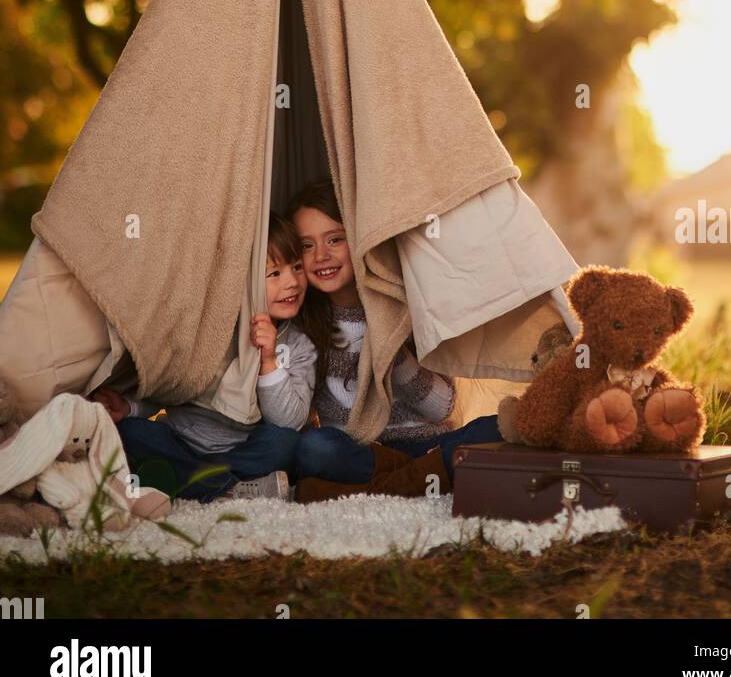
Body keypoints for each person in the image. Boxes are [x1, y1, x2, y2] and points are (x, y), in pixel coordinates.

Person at [288, 178, 503, 501]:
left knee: (497, 426)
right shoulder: (305, 324)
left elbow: (441, 408)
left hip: (425, 442)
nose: (321, 255)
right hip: (359, 451)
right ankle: (417, 477)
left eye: (334, 239)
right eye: (307, 245)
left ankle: (383, 485)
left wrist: (393, 355)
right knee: (314, 448)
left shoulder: (404, 304)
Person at [90, 211, 316, 503]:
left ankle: (191, 481)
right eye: (273, 273)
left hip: (247, 449)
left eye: (297, 267)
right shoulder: (210, 329)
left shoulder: (299, 345)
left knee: (285, 443)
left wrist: (269, 361)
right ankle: (232, 487)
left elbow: (289, 421)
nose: (292, 282)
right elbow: (171, 385)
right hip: (185, 443)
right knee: (132, 432)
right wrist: (130, 407)